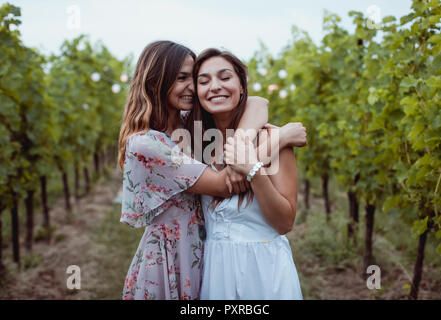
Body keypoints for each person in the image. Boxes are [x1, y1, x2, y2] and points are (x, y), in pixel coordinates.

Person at [117, 41, 303, 300]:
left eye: (192, 79)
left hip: (209, 259)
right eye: (184, 78)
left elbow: (258, 102)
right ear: (155, 82)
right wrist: (278, 140)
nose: (194, 88)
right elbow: (225, 183)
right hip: (171, 259)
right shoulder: (149, 143)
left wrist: (258, 142)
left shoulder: (193, 131)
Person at [188, 48, 306, 300]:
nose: (215, 87)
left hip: (265, 269)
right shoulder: (194, 146)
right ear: (196, 92)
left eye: (225, 77)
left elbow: (285, 223)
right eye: (204, 81)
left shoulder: (270, 139)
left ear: (242, 86)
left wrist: (254, 171)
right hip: (215, 270)